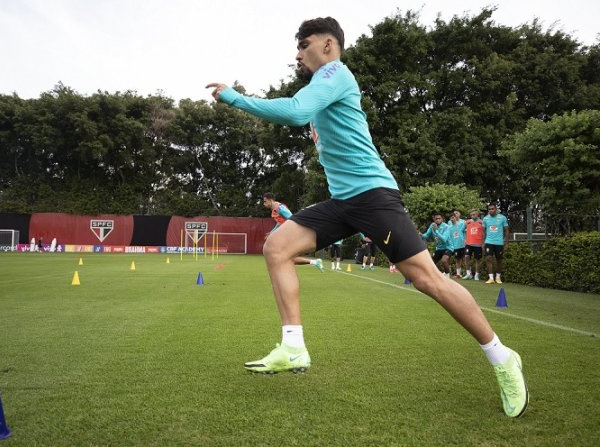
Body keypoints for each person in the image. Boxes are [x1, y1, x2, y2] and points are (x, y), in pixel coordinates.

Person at [206, 17, 527, 417]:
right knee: (277, 246)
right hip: (343, 202)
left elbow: (294, 111)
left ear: (327, 46)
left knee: (428, 280)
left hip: (374, 197)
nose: (297, 53)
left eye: (303, 44)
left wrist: (236, 98)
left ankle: (503, 358)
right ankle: (293, 346)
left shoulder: (335, 72)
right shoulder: (321, 85)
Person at [263, 193, 324, 272]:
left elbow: (292, 218)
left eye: (265, 201)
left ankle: (314, 262)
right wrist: (272, 232)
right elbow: (279, 222)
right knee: (286, 257)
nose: (264, 204)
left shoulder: (279, 208)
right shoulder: (275, 208)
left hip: (291, 234)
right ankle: (314, 262)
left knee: (286, 257)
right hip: (288, 234)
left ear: (270, 200)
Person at [483, 204, 510, 284]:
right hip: (488, 241)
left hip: (499, 242)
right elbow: (483, 232)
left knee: (499, 259)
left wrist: (506, 243)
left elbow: (507, 231)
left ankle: (498, 277)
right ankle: (491, 278)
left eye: (492, 209)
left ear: (496, 209)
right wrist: (483, 242)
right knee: (488, 258)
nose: (491, 210)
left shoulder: (502, 218)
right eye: (489, 209)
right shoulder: (485, 218)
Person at [463, 209, 484, 280]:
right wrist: (464, 239)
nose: (472, 216)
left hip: (478, 244)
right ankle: (469, 273)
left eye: (474, 214)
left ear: (477, 214)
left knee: (477, 260)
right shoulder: (467, 222)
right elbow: (461, 230)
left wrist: (483, 243)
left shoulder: (481, 222)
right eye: (471, 215)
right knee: (466, 257)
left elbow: (485, 232)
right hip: (469, 243)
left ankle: (477, 275)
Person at [448, 213, 467, 278]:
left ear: (456, 218)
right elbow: (450, 237)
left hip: (463, 245)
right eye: (451, 218)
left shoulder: (461, 224)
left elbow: (466, 230)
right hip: (455, 246)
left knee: (465, 259)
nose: (452, 219)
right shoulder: (449, 228)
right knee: (457, 260)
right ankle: (458, 274)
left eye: (453, 217)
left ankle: (468, 273)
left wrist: (465, 240)